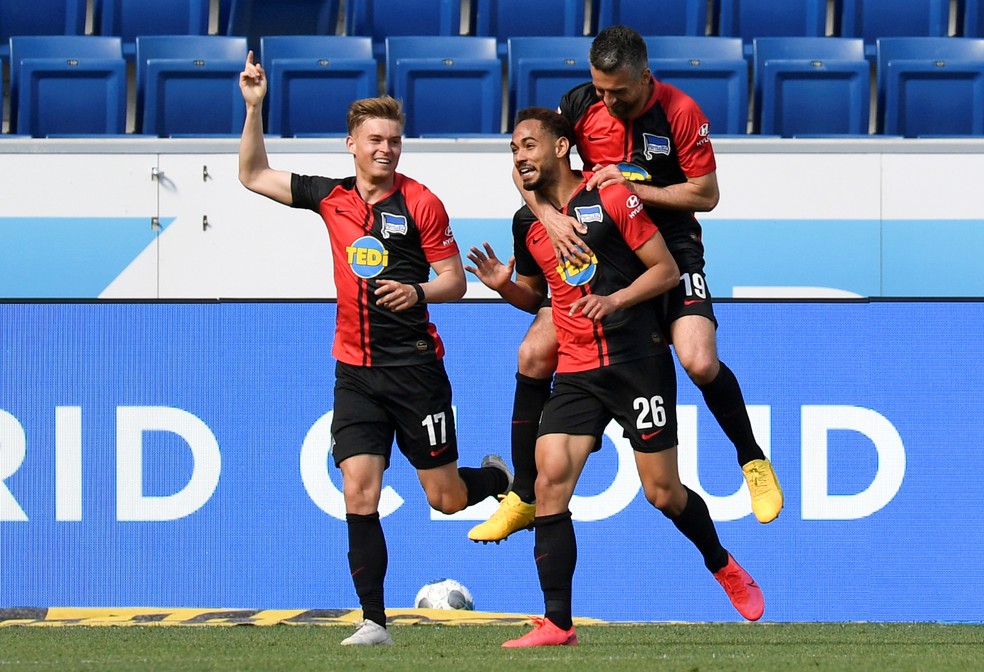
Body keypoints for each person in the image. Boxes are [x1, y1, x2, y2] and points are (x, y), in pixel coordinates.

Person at [237, 52, 512, 647]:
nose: (385, 149)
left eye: (394, 140)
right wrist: (255, 108)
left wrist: (416, 290)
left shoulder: (421, 203)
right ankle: (373, 622)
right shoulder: (330, 196)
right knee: (358, 490)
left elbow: (454, 281)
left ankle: (495, 480)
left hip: (415, 370)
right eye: (375, 140)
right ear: (351, 145)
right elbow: (253, 175)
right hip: (355, 372)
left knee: (444, 499)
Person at [467, 25, 782, 544]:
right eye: (600, 89)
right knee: (532, 355)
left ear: (645, 77)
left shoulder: (681, 113)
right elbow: (530, 157)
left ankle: (752, 461)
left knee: (700, 360)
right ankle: (522, 494)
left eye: (619, 91)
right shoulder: (580, 103)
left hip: (669, 248)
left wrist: (632, 187)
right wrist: (545, 215)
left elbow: (705, 195)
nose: (607, 100)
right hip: (603, 247)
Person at [466, 107, 764, 647]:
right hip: (577, 370)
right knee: (550, 478)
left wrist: (617, 299)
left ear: (561, 147)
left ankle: (721, 563)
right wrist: (502, 287)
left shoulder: (612, 196)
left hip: (636, 362)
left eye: (528, 146)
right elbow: (537, 296)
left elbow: (666, 271)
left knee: (663, 492)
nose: (519, 158)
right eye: (513, 150)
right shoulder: (526, 223)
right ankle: (558, 622)